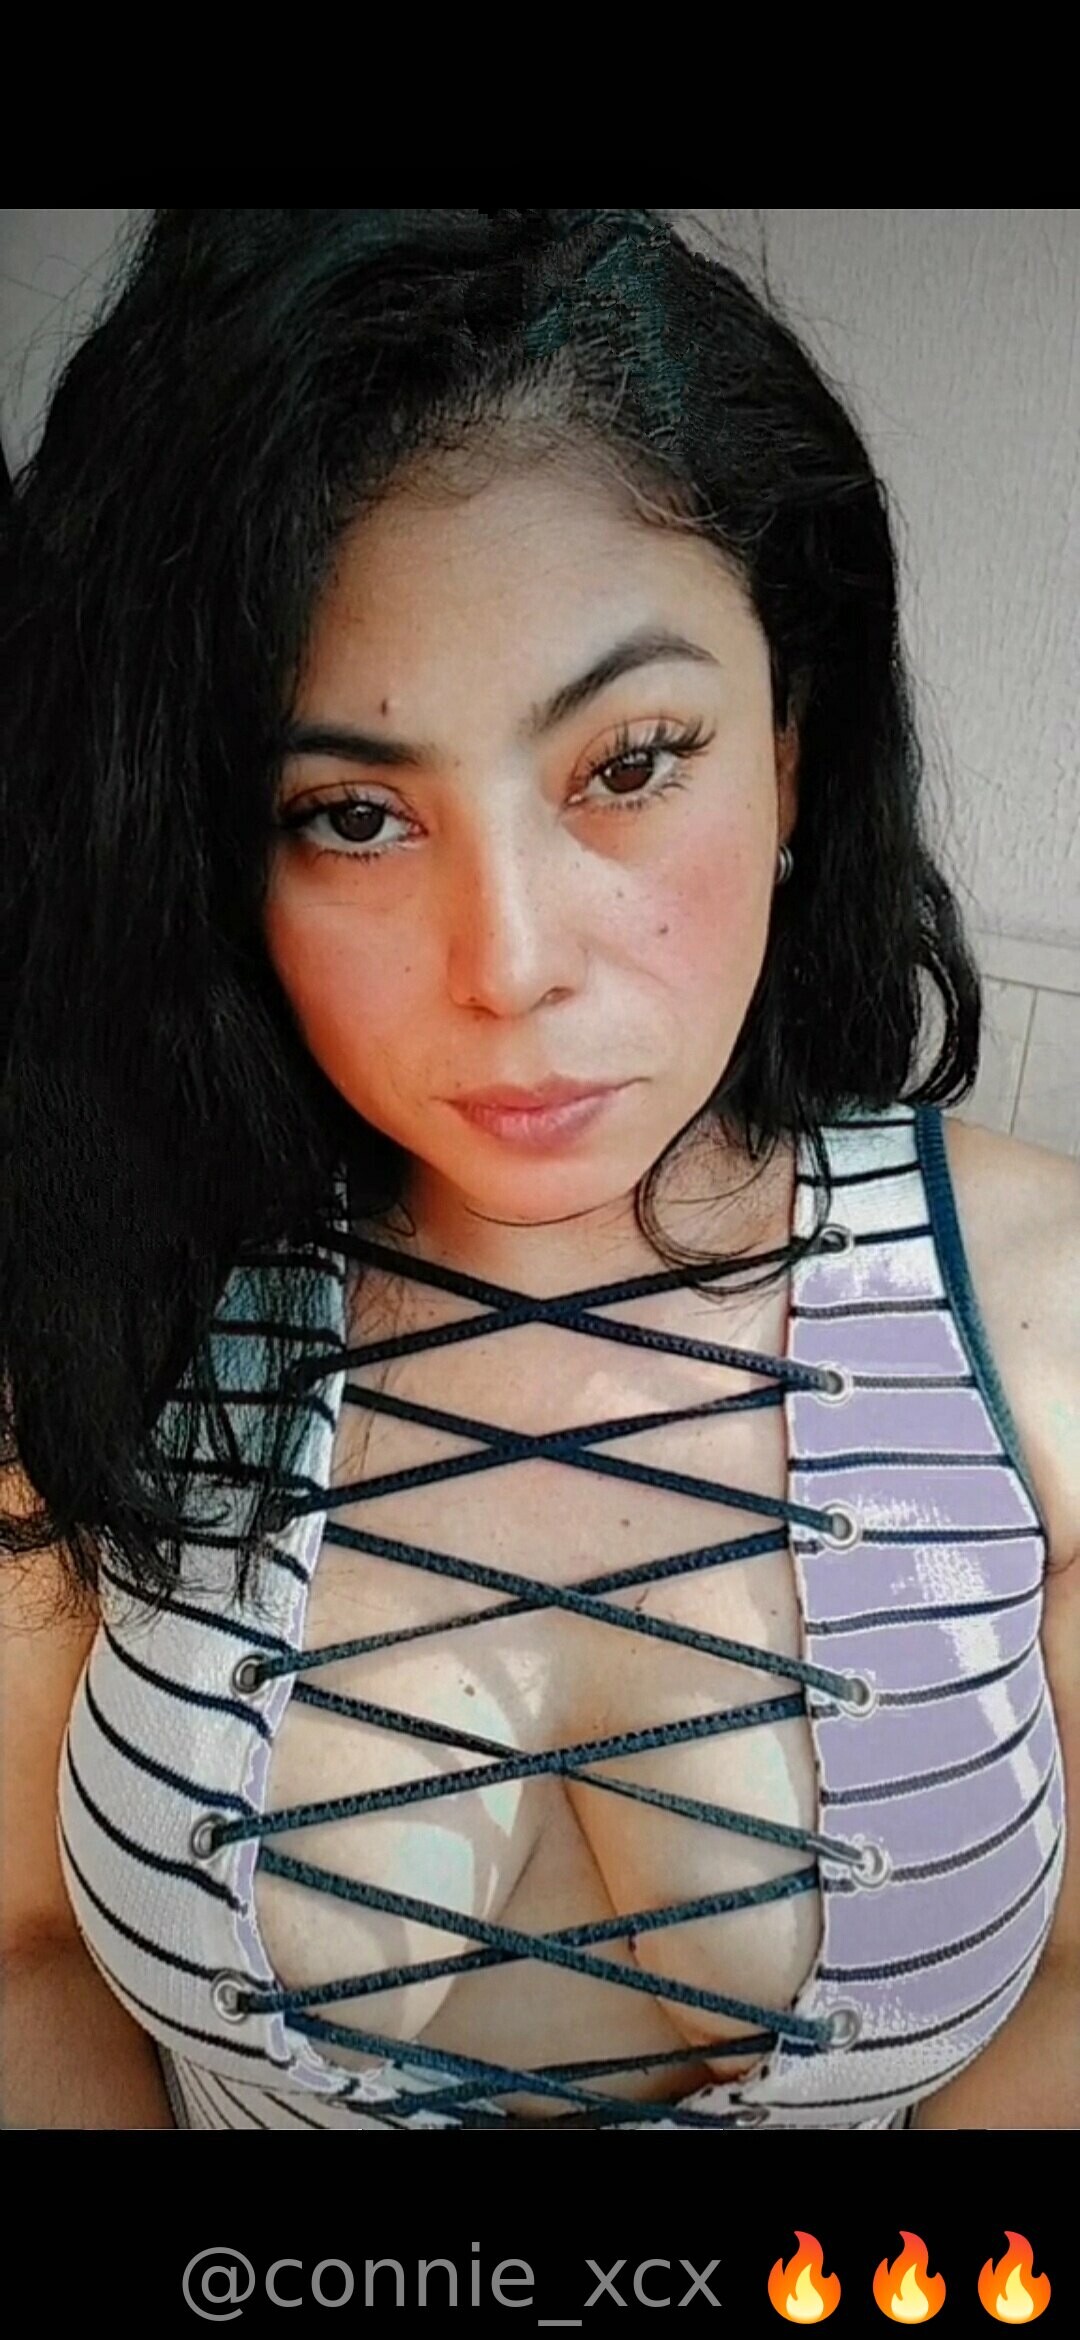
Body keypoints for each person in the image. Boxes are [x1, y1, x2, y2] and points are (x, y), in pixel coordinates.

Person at [1, 209, 1076, 2131]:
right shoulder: (106, 1299)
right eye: (349, 814)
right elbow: (23, 1950)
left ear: (793, 749)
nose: (506, 966)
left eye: (631, 761)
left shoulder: (1046, 1315)